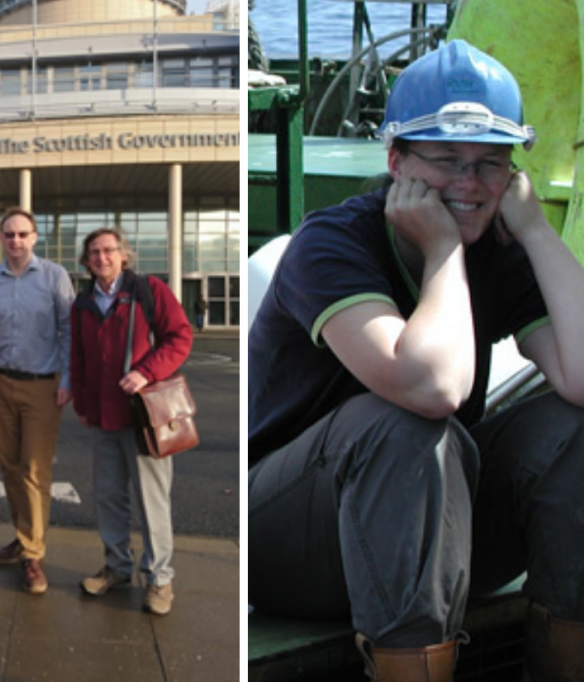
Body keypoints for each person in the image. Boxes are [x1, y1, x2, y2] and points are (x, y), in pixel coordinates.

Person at [248, 40, 584, 682]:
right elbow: (431, 387)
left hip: (430, 535)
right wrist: (443, 252)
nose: (469, 184)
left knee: (571, 432)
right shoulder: (333, 244)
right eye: (447, 160)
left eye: (491, 165)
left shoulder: (502, 246)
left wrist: (536, 232)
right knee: (403, 426)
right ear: (396, 159)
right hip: (293, 541)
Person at [70, 228, 192, 616]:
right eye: (94, 253)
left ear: (124, 255)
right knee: (108, 496)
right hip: (103, 418)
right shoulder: (83, 302)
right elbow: (79, 358)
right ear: (86, 260)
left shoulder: (148, 290)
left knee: (152, 501)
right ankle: (117, 567)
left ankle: (159, 579)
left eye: (109, 250)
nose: (102, 258)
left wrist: (145, 372)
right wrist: (84, 405)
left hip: (144, 418)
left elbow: (179, 337)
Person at [0, 206, 75, 594]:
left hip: (42, 386)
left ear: (34, 238)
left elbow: (68, 330)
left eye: (22, 234)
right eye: (8, 234)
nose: (15, 241)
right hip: (1, 383)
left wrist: (67, 379)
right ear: (0, 239)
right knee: (10, 467)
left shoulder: (54, 276)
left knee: (35, 470)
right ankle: (23, 536)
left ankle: (33, 554)